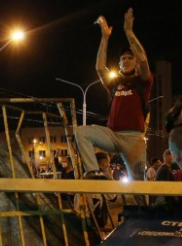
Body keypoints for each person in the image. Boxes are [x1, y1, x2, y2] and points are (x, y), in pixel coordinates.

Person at [75, 8, 152, 181]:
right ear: (119, 63)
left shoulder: (143, 81)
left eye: (129, 58)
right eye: (123, 58)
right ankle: (93, 172)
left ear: (135, 63)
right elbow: (100, 68)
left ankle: (144, 207)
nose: (126, 60)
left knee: (139, 183)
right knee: (82, 132)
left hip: (133, 138)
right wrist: (105, 37)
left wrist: (129, 31)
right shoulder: (114, 84)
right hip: (112, 135)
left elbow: (143, 59)